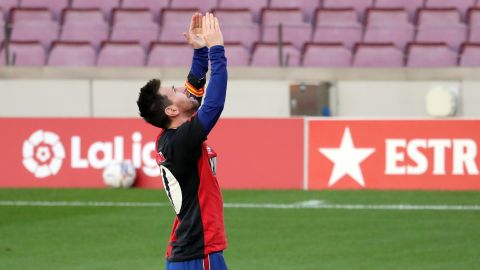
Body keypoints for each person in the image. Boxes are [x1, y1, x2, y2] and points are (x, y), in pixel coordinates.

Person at [136, 12, 228, 270]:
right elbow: (214, 104)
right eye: (175, 91)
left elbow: (194, 91)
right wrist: (216, 49)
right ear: (171, 111)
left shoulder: (173, 136)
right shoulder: (181, 141)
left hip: (193, 252)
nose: (182, 89)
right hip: (198, 254)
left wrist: (199, 51)